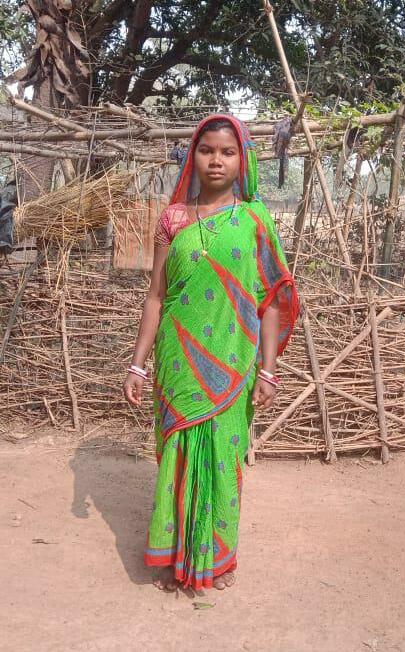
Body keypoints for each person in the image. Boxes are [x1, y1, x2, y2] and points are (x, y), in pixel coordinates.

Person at [123, 114, 299, 592]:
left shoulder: (255, 220)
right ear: (192, 157)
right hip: (177, 358)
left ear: (243, 161)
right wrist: (138, 363)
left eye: (227, 152)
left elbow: (269, 300)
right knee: (178, 454)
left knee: (223, 454)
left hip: (232, 362)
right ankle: (177, 556)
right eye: (206, 150)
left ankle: (216, 560)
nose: (216, 160)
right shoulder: (174, 219)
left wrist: (269, 370)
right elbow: (156, 296)